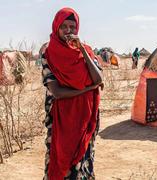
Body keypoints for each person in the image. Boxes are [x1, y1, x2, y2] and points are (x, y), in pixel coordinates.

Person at [41, 8, 103, 179]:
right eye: (64, 26)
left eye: (73, 27)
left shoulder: (87, 51)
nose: (69, 31)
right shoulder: (48, 54)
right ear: (56, 27)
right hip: (61, 119)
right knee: (60, 159)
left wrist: (81, 48)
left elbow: (98, 78)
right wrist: (88, 88)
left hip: (86, 117)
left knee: (83, 160)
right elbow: (58, 92)